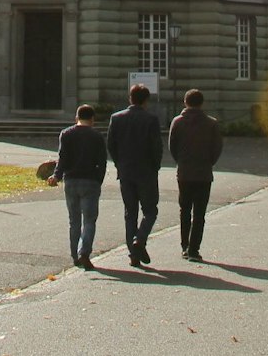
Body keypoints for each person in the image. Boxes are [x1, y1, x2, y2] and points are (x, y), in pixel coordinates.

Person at [105, 83, 163, 266]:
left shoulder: (116, 118)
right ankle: (140, 239)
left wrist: (119, 164)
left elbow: (111, 145)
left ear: (130, 98)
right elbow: (157, 147)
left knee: (130, 213)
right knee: (151, 211)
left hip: (126, 172)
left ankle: (133, 255)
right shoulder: (151, 119)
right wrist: (155, 167)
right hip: (146, 172)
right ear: (146, 100)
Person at [49, 103, 108, 269]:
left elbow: (63, 158)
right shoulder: (97, 136)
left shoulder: (66, 134)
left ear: (76, 118)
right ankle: (84, 252)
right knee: (89, 220)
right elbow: (102, 162)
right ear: (92, 119)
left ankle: (74, 255)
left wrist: (57, 176)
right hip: (90, 181)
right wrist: (98, 180)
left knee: (74, 220)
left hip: (71, 180)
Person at [168, 88, 224, 261]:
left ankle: (184, 246)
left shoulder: (177, 122)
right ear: (201, 104)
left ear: (185, 102)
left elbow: (172, 147)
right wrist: (209, 162)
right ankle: (194, 249)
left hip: (184, 172)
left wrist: (181, 162)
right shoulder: (211, 123)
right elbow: (217, 148)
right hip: (204, 173)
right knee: (199, 213)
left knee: (184, 210)